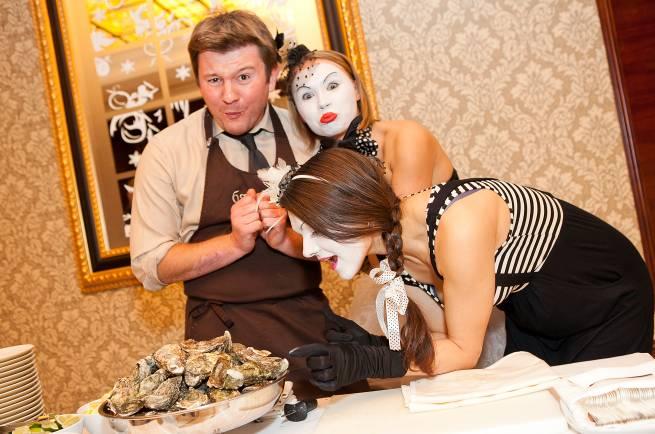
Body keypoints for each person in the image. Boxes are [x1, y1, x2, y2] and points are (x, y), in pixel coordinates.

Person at [263, 147, 653, 391]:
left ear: (354, 212)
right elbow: (445, 344)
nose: (308, 249)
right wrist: (373, 347)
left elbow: (465, 352)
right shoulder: (389, 254)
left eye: (315, 230)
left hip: (606, 298)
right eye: (302, 233)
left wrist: (372, 360)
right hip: (537, 315)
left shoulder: (457, 224)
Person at [129, 10, 335, 393]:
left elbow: (349, 246)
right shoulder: (166, 152)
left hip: (308, 333)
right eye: (214, 80)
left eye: (243, 77)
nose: (228, 96)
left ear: (272, 75)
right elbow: (151, 266)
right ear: (198, 81)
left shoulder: (309, 135)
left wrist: (286, 239)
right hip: (216, 353)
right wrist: (235, 243)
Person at [285, 44, 456, 197]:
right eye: (307, 96)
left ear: (356, 90)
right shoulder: (315, 172)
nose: (322, 103)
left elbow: (409, 221)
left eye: (332, 86)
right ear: (300, 114)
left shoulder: (407, 137)